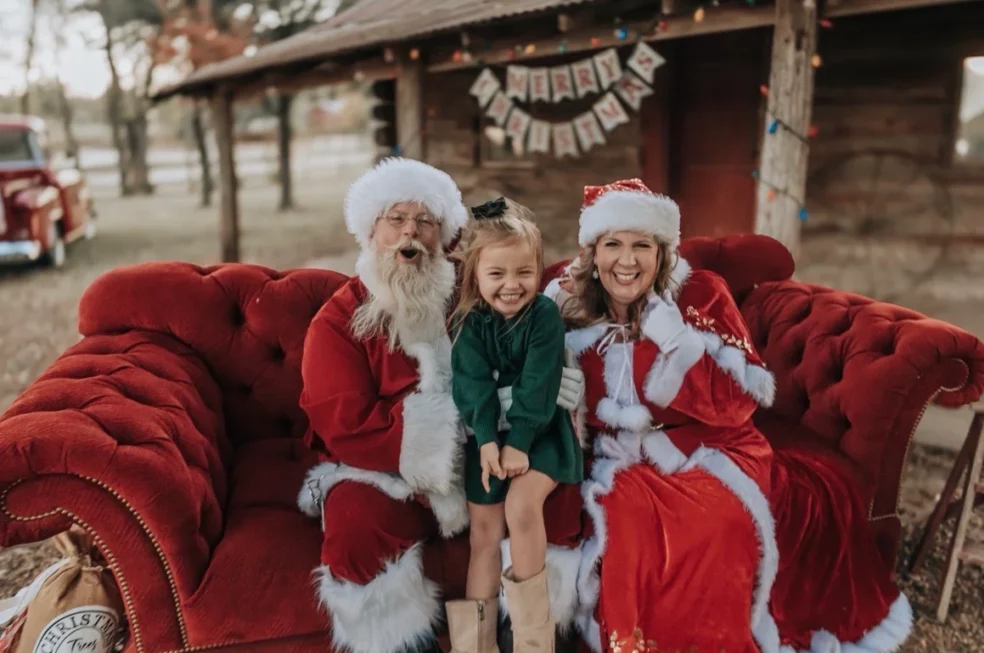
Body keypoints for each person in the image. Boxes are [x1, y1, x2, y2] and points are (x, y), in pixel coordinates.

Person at [294, 158, 586, 653]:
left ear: (443, 233)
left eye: (425, 222)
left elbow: (531, 325)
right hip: (390, 471)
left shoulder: (476, 287)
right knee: (356, 524)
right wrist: (464, 428)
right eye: (397, 220)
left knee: (550, 503)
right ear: (371, 229)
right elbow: (342, 421)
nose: (411, 234)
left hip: (498, 454)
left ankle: (532, 639)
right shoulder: (338, 318)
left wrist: (558, 379)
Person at [542, 178, 780, 652]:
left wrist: (677, 343)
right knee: (625, 514)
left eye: (641, 246)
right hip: (610, 453)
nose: (626, 261)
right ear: (593, 250)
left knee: (711, 523)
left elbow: (740, 400)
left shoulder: (701, 294)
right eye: (613, 244)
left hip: (705, 447)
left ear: (662, 251)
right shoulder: (565, 302)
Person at [446, 197, 584, 653]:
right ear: (475, 275)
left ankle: (532, 642)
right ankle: (475, 646)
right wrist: (487, 441)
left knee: (521, 508)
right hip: (488, 437)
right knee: (483, 532)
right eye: (497, 274)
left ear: (538, 270)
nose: (511, 285)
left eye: (524, 272)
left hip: (540, 432)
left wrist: (519, 441)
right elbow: (471, 386)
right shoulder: (469, 322)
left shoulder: (543, 316)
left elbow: (540, 382)